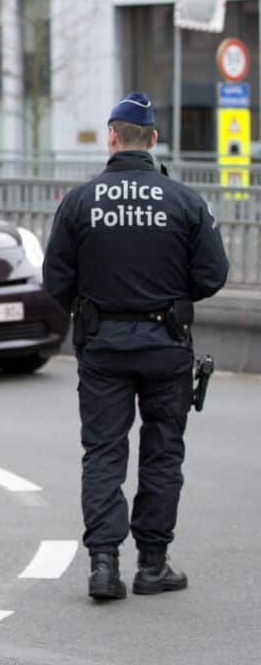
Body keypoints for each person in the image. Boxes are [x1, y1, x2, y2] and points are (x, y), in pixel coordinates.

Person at [43, 91, 229, 600]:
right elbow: (213, 274)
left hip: (102, 343)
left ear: (111, 138)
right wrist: (168, 297)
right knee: (163, 453)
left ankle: (104, 565)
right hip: (167, 341)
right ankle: (153, 564)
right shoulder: (186, 200)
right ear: (152, 140)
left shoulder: (80, 201)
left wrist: (95, 301)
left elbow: (55, 277)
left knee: (103, 452)